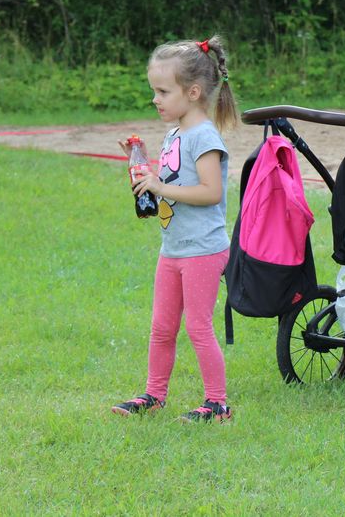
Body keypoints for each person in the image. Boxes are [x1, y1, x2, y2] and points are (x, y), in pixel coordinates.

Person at [111, 37, 239, 424]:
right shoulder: (176, 133)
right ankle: (154, 395)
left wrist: (161, 187)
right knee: (162, 328)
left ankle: (218, 404)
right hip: (173, 249)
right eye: (155, 91)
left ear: (193, 92)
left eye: (163, 92)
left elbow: (210, 192)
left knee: (198, 327)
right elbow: (173, 180)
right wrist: (140, 163)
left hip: (202, 250)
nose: (156, 99)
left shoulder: (204, 136)